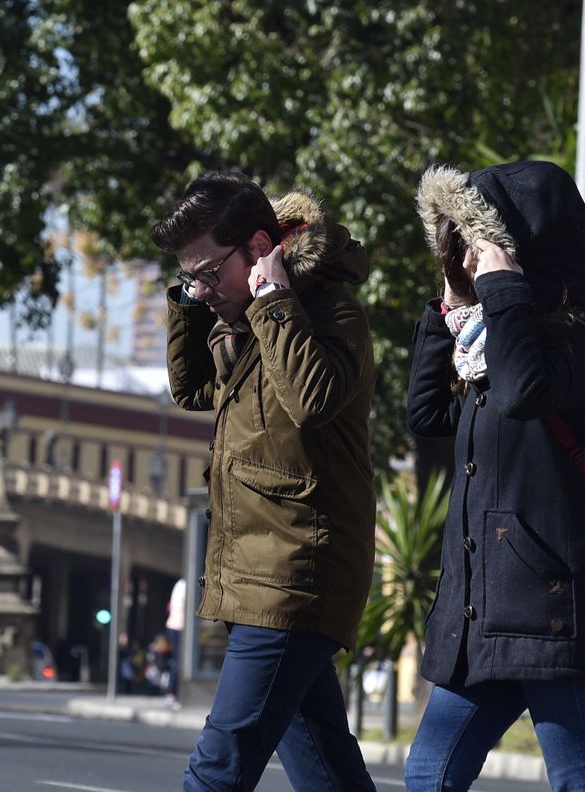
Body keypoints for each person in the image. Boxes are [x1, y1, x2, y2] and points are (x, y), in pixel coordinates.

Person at [404, 161, 585, 792]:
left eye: (483, 244)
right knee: (427, 777)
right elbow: (425, 413)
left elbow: (527, 391)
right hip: (486, 615)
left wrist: (503, 292)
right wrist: (449, 302)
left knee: (582, 781)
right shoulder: (490, 344)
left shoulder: (579, 337)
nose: (474, 260)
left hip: (557, 614)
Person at [155, 172, 378, 792]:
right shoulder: (243, 320)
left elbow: (312, 399)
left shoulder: (330, 312)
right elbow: (194, 387)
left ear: (258, 249)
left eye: (205, 273)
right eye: (187, 277)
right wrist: (190, 302)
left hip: (295, 574)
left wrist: (273, 302)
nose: (199, 291)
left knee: (217, 769)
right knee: (325, 768)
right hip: (260, 570)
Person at [164, 577, 186, 709]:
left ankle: (172, 694)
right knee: (178, 662)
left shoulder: (180, 584)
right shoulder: (185, 584)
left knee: (176, 661)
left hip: (175, 625)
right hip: (179, 626)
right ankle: (173, 694)